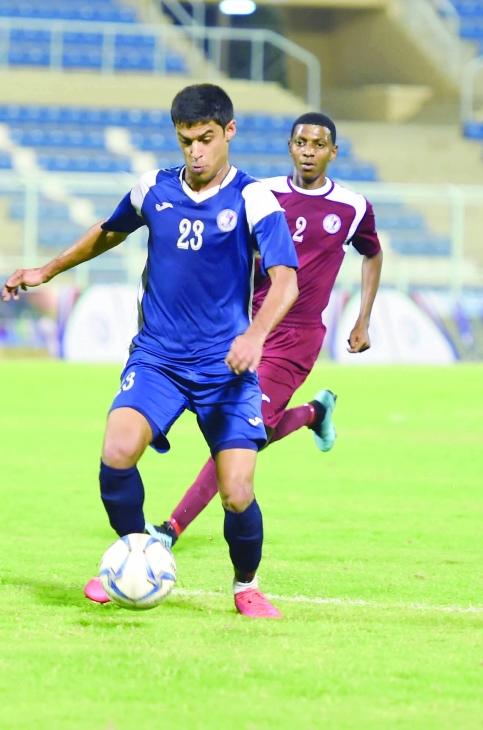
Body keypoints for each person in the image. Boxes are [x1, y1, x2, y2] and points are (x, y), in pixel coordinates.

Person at [3, 84, 299, 618]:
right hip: (159, 359)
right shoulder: (153, 189)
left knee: (236, 491)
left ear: (229, 132)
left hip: (225, 366)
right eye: (186, 141)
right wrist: (46, 270)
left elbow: (285, 282)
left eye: (206, 139)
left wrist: (255, 335)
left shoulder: (254, 199)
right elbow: (108, 232)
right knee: (116, 452)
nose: (196, 152)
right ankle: (135, 557)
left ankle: (246, 586)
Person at [150, 112, 382, 550]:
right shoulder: (261, 194)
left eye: (318, 145)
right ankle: (314, 413)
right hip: (246, 327)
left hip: (295, 339)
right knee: (247, 428)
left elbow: (373, 253)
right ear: (290, 147)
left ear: (333, 152)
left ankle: (170, 529)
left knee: (238, 436)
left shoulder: (352, 207)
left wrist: (363, 318)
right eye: (301, 143)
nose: (308, 152)